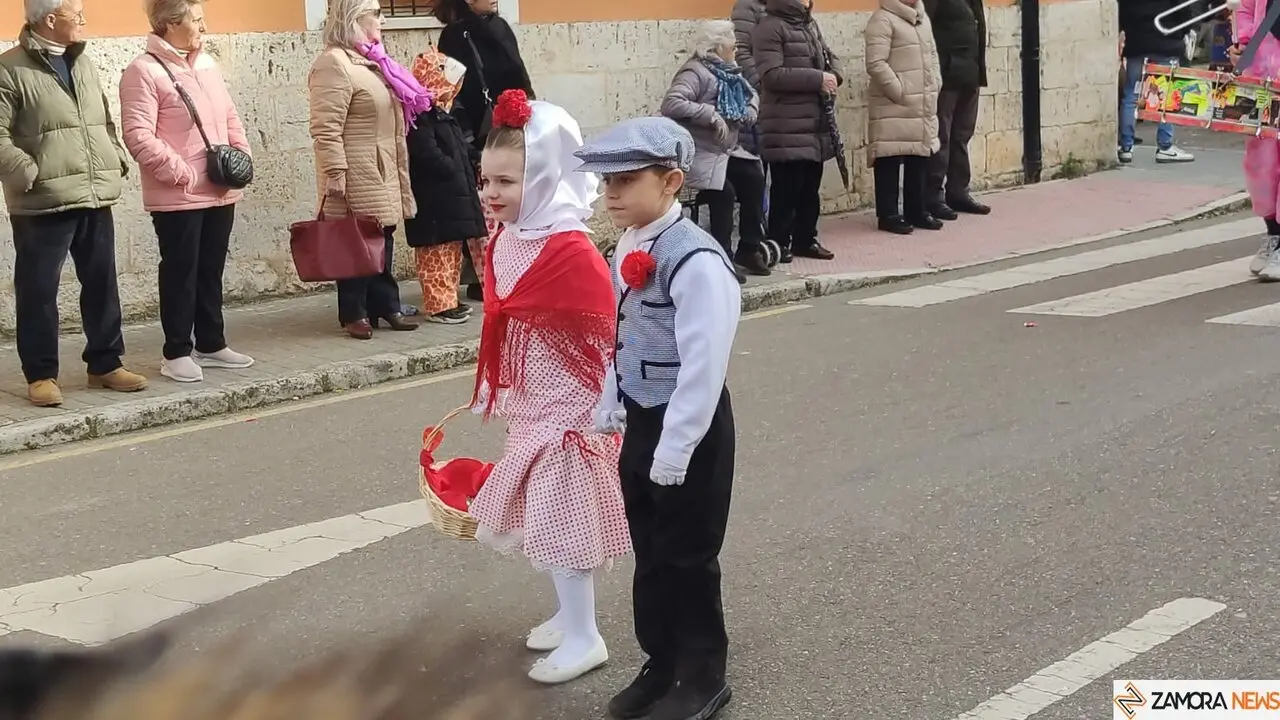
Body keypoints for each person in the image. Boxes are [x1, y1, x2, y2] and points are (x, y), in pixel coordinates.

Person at [575, 117, 740, 720]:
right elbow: (625, 334)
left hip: (689, 427)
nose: (610, 193)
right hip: (644, 417)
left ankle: (702, 672)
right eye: (605, 180)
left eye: (626, 179)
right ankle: (662, 659)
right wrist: (611, 400)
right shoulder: (630, 243)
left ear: (671, 181)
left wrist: (676, 447)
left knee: (687, 551)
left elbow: (703, 362)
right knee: (648, 543)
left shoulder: (696, 260)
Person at [467, 89, 631, 686]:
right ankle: (570, 615)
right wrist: (499, 387)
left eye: (506, 182)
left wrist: (605, 408)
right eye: (485, 180)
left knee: (565, 522)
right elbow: (503, 317)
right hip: (532, 402)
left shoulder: (571, 249)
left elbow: (608, 337)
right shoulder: (506, 238)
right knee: (544, 515)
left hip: (573, 411)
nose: (491, 194)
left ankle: (587, 636)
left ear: (545, 177)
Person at [0, 0, 148, 407]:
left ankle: (105, 362)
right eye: (76, 14)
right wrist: (29, 173)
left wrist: (114, 154)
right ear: (50, 19)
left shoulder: (82, 61)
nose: (83, 21)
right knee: (39, 290)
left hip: (94, 192)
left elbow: (102, 118)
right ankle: (41, 374)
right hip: (42, 200)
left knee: (102, 283)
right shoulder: (9, 68)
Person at [119, 0, 255, 383]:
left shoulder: (207, 65)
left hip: (219, 186)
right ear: (170, 23)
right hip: (179, 193)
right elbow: (138, 134)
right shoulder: (142, 71)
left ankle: (211, 343)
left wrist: (241, 153)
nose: (203, 27)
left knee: (210, 269)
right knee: (181, 271)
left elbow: (228, 114)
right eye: (196, 20)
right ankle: (176, 350)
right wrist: (181, 173)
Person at [308, 0, 424, 340]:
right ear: (355, 18)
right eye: (376, 12)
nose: (383, 19)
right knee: (354, 242)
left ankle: (386, 306)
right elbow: (325, 128)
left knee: (382, 237)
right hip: (355, 169)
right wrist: (335, 172)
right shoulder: (334, 63)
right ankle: (354, 312)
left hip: (381, 165)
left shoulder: (371, 61)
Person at [433, 0, 534, 302]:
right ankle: (483, 273)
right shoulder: (454, 35)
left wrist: (526, 109)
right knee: (485, 204)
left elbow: (519, 74)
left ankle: (512, 263)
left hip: (511, 122)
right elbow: (453, 90)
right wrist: (464, 134)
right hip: (478, 130)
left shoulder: (500, 26)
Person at [660, 20, 769, 279]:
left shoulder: (730, 71)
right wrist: (710, 114)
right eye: (732, 45)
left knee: (754, 179)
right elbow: (672, 103)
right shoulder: (695, 71)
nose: (735, 50)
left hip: (725, 151)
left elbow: (750, 93)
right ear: (717, 47)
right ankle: (722, 255)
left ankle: (749, 248)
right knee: (725, 193)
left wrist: (751, 109)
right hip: (699, 153)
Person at [752, 0, 841, 262]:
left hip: (813, 122)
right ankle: (779, 242)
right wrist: (817, 79)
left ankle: (806, 239)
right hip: (785, 123)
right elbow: (771, 75)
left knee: (810, 187)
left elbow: (827, 57)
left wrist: (835, 75)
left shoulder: (808, 24)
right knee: (787, 188)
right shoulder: (769, 27)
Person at [404, 46, 485, 324]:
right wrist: (451, 168)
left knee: (449, 254)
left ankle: (449, 300)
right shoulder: (419, 117)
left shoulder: (441, 114)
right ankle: (438, 306)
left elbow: (458, 148)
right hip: (434, 201)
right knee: (435, 257)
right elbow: (426, 153)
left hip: (449, 198)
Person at [865, 0, 944, 234]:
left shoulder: (922, 18)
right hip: (893, 102)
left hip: (921, 101)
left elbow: (933, 55)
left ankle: (916, 210)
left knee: (918, 155)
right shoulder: (882, 19)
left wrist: (935, 83)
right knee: (888, 157)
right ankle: (888, 214)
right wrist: (899, 90)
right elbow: (876, 63)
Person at [922, 0, 991, 218]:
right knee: (940, 136)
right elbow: (925, 28)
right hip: (946, 76)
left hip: (970, 73)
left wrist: (979, 71)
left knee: (962, 136)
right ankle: (932, 196)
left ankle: (958, 192)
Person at [1231, 0, 1280, 280]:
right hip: (1261, 78)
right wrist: (1243, 44)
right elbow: (1246, 9)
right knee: (1261, 163)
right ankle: (1273, 233)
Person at [1118, 0, 1196, 165]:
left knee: (1131, 93)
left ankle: (1125, 147)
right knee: (1166, 95)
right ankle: (1165, 147)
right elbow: (1184, 12)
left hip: (1136, 44)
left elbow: (1121, 13)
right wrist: (1183, 32)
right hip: (1166, 43)